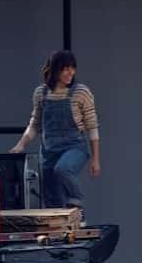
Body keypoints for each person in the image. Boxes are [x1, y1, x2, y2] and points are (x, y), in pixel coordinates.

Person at [10, 50, 101, 223]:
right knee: (51, 197)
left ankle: (78, 208)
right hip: (48, 151)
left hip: (75, 147)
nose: (70, 73)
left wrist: (96, 159)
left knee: (63, 169)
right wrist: (20, 144)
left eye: (73, 68)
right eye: (65, 68)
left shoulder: (81, 92)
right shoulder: (40, 94)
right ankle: (61, 228)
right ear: (55, 70)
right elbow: (35, 124)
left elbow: (92, 126)